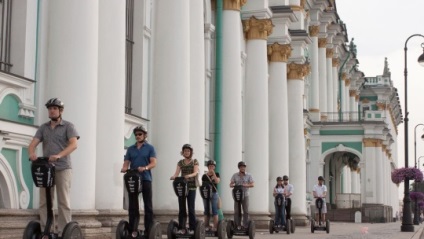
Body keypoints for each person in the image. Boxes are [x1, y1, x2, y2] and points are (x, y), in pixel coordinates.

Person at [28, 98, 79, 235]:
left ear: (60, 111)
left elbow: (73, 145)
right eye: (50, 108)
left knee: (63, 202)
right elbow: (33, 143)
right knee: (44, 202)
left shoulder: (68, 126)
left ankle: (64, 232)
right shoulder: (43, 127)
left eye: (55, 108)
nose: (52, 110)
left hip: (63, 167)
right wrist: (32, 153)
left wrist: (59, 155)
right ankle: (47, 231)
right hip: (46, 169)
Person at [121, 125, 157, 238]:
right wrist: (124, 168)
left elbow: (153, 163)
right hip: (134, 178)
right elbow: (126, 162)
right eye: (136, 134)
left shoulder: (150, 148)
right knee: (133, 205)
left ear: (145, 135)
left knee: (148, 205)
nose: (137, 136)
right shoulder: (131, 149)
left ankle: (148, 229)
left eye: (140, 134)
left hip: (146, 178)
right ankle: (133, 229)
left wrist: (145, 168)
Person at [170, 144, 199, 235]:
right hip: (182, 187)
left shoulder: (194, 161)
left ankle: (192, 228)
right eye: (185, 151)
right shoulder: (180, 162)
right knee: (182, 208)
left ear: (191, 152)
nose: (186, 152)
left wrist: (189, 175)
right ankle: (182, 227)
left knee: (191, 208)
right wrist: (174, 176)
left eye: (188, 151)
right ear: (183, 152)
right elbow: (177, 172)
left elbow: (196, 172)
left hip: (191, 187)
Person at [229, 161, 254, 230]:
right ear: (239, 168)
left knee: (245, 210)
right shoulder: (235, 175)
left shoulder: (249, 175)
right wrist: (233, 184)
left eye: (244, 167)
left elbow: (252, 184)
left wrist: (246, 185)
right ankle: (237, 225)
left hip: (245, 195)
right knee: (237, 210)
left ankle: (245, 225)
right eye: (241, 167)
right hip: (237, 195)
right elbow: (231, 184)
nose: (243, 168)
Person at [201, 159, 220, 231]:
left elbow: (217, 181)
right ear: (208, 167)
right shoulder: (204, 176)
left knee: (214, 210)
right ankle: (206, 226)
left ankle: (215, 227)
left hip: (214, 193)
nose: (211, 167)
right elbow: (201, 185)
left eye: (213, 166)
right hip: (206, 193)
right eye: (210, 166)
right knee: (206, 210)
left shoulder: (217, 174)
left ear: (214, 167)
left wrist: (214, 174)